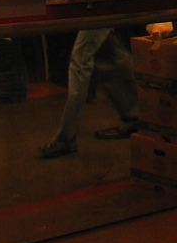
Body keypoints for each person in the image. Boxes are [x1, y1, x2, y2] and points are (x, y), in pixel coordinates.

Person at [38, 28, 139, 159]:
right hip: (102, 8)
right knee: (108, 51)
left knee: (80, 59)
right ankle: (133, 117)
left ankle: (65, 139)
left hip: (98, 8)